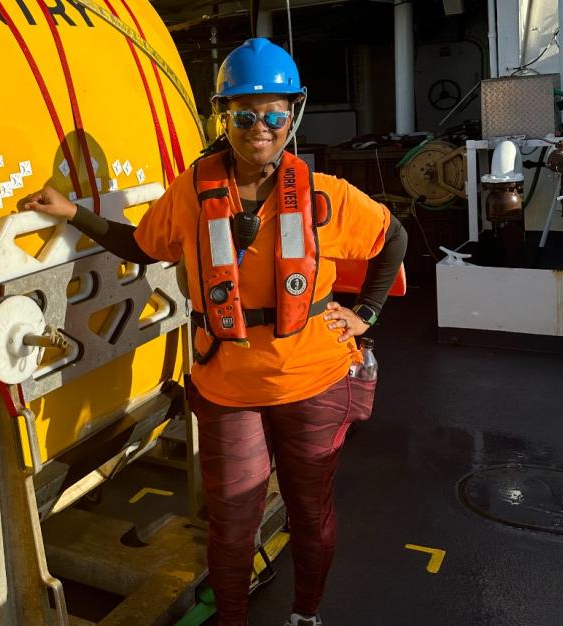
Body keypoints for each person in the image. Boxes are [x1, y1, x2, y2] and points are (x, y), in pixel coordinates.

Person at [23, 37, 407, 626]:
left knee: (310, 512)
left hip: (315, 382)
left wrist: (366, 314)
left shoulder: (325, 196)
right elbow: (141, 246)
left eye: (275, 113)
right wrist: (74, 214)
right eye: (245, 114)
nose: (262, 126)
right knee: (231, 520)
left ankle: (306, 614)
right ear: (223, 116)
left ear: (294, 115)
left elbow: (393, 240)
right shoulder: (190, 193)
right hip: (229, 387)